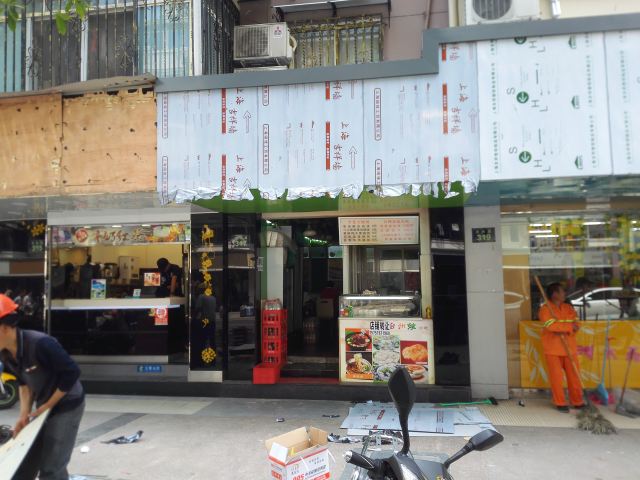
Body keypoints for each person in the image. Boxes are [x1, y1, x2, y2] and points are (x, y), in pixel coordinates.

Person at [0, 294, 85, 480]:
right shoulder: (6, 354)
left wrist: (47, 406)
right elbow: (24, 383)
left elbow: (72, 373)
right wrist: (24, 415)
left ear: (5, 327)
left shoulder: (41, 344)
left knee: (52, 467)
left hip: (67, 404)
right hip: (44, 405)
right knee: (23, 462)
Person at [538, 283, 585, 412]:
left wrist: (563, 328)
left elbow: (576, 324)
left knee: (574, 377)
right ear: (554, 294)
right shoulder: (545, 309)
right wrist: (568, 327)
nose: (564, 293)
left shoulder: (568, 308)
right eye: (562, 291)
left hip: (570, 348)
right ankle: (560, 402)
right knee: (556, 378)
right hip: (553, 349)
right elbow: (550, 326)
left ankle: (577, 401)